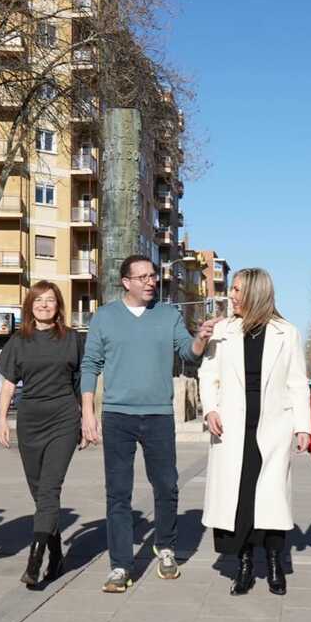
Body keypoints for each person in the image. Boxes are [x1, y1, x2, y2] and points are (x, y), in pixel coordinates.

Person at [79, 254, 219, 593]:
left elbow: (188, 352)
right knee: (118, 493)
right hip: (117, 416)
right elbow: (90, 365)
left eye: (153, 275)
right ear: (125, 282)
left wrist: (200, 337)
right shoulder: (105, 317)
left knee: (167, 485)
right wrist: (87, 413)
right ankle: (120, 566)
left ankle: (166, 547)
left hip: (158, 414)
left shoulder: (168, 315)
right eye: (142, 277)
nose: (150, 281)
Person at [199, 269, 311, 596]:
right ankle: (245, 565)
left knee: (273, 497)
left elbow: (296, 383)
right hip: (232, 426)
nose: (231, 296)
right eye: (231, 289)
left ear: (255, 293)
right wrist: (210, 409)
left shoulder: (286, 333)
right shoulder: (223, 331)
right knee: (241, 498)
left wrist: (303, 426)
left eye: (236, 290)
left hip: (273, 425)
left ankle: (276, 563)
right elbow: (208, 375)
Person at [0, 281, 83, 588]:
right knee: (39, 493)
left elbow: (81, 384)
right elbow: (8, 384)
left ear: (59, 305)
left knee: (49, 489)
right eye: (39, 301)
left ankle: (35, 561)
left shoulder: (73, 339)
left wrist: (87, 419)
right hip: (30, 420)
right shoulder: (18, 341)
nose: (44, 305)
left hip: (64, 418)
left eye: (50, 300)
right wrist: (2, 419)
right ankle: (57, 552)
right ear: (30, 306)